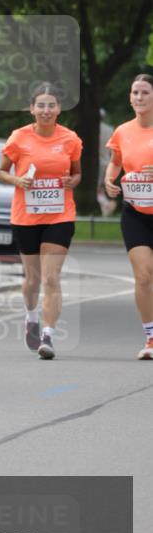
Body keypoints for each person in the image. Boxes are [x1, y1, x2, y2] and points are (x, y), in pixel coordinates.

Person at [0, 82, 82, 360]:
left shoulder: (70, 139)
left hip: (60, 214)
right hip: (26, 216)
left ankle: (48, 335)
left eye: (52, 105)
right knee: (32, 279)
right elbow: (1, 173)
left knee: (51, 277)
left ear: (59, 109)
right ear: (32, 109)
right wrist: (18, 179)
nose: (46, 110)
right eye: (41, 105)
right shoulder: (18, 138)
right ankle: (31, 317)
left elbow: (77, 173)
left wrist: (72, 181)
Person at [104, 73, 153, 360]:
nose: (138, 97)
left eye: (144, 92)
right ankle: (151, 337)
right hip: (135, 212)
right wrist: (110, 181)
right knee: (144, 276)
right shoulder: (123, 131)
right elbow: (115, 162)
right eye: (134, 92)